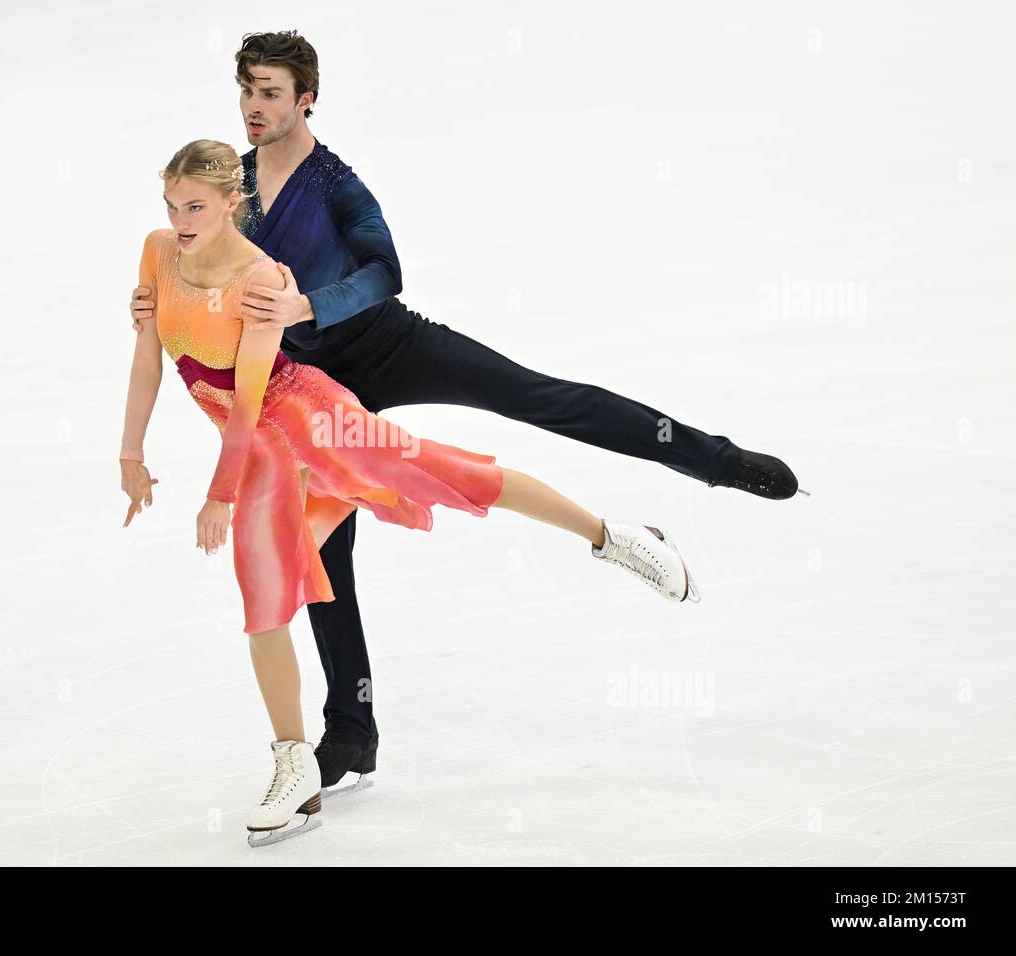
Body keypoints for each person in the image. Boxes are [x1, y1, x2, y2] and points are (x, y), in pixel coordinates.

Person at [128, 31, 801, 793]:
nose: (254, 107)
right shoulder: (231, 188)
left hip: (388, 343)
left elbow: (387, 270)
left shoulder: (334, 183)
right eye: (247, 90)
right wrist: (158, 300)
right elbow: (197, 264)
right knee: (324, 555)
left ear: (306, 98)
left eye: (271, 92)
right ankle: (351, 734)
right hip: (306, 383)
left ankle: (711, 460)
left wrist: (308, 301)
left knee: (533, 396)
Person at [120, 139, 701, 843]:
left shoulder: (260, 278)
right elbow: (149, 352)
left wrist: (218, 494)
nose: (181, 219)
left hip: (312, 422)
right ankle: (294, 764)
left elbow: (246, 403)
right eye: (173, 205)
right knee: (264, 598)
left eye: (196, 206)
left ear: (229, 204)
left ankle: (614, 539)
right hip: (267, 455)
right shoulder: (158, 252)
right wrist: (131, 452)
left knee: (451, 475)